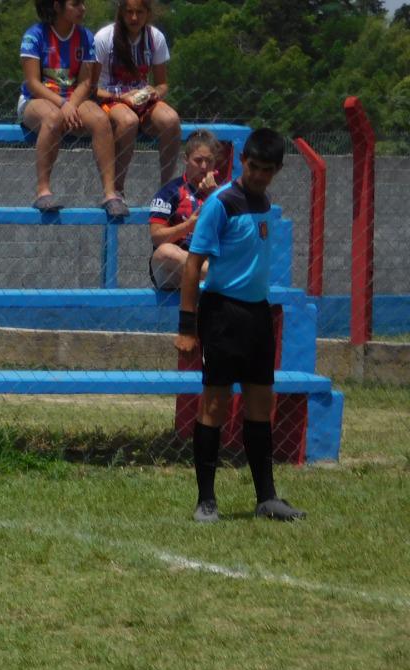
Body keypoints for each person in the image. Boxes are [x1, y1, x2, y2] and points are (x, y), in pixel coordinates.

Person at [176, 127, 304, 524]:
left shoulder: (263, 201)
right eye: (254, 167)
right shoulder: (221, 203)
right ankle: (206, 501)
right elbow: (194, 264)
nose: (260, 175)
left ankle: (266, 497)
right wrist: (187, 324)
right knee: (214, 403)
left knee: (260, 405)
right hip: (223, 313)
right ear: (241, 162)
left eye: (268, 169)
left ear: (278, 169)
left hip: (257, 315)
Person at [19, 0, 126, 217]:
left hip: (73, 99)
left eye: (83, 3)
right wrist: (63, 105)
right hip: (37, 99)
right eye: (75, 4)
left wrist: (71, 105)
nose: (83, 8)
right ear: (56, 6)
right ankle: (43, 191)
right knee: (53, 118)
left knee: (100, 119)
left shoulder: (85, 37)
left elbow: (86, 82)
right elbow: (33, 83)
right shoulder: (35, 35)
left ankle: (110, 193)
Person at [93, 0, 182, 196]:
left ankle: (167, 190)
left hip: (141, 98)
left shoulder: (155, 38)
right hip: (111, 98)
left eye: (139, 12)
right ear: (121, 12)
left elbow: (162, 83)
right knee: (128, 121)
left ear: (148, 13)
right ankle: (117, 189)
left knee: (171, 120)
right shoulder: (104, 38)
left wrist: (154, 93)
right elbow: (91, 89)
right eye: (129, 12)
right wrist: (121, 96)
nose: (134, 18)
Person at [149, 129, 221, 290]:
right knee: (165, 251)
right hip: (173, 268)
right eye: (198, 160)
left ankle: (219, 278)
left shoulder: (222, 193)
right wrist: (189, 226)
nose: (204, 166)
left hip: (209, 259)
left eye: (209, 161)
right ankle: (225, 280)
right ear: (186, 160)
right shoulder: (170, 191)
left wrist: (214, 196)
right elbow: (156, 237)